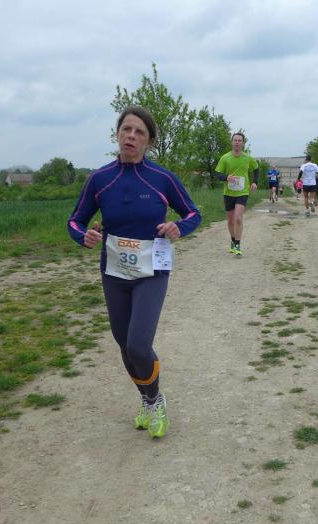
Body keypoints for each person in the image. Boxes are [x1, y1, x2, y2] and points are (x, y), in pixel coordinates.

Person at [67, 105, 202, 439]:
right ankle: (147, 398)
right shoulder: (100, 179)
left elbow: (193, 213)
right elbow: (75, 221)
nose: (131, 136)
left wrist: (178, 227)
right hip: (114, 272)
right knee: (125, 345)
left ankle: (155, 400)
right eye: (126, 129)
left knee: (139, 344)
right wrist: (84, 236)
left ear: (149, 141)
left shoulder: (161, 178)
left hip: (152, 270)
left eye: (139, 132)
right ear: (117, 134)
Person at [213, 132, 259, 257]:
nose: (237, 142)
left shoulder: (248, 158)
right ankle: (233, 241)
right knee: (230, 221)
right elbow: (217, 173)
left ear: (243, 143)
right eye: (235, 140)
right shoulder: (225, 158)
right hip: (228, 193)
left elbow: (256, 169)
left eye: (240, 140)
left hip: (242, 192)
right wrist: (226, 177)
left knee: (238, 218)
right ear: (232, 142)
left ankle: (238, 245)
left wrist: (255, 182)